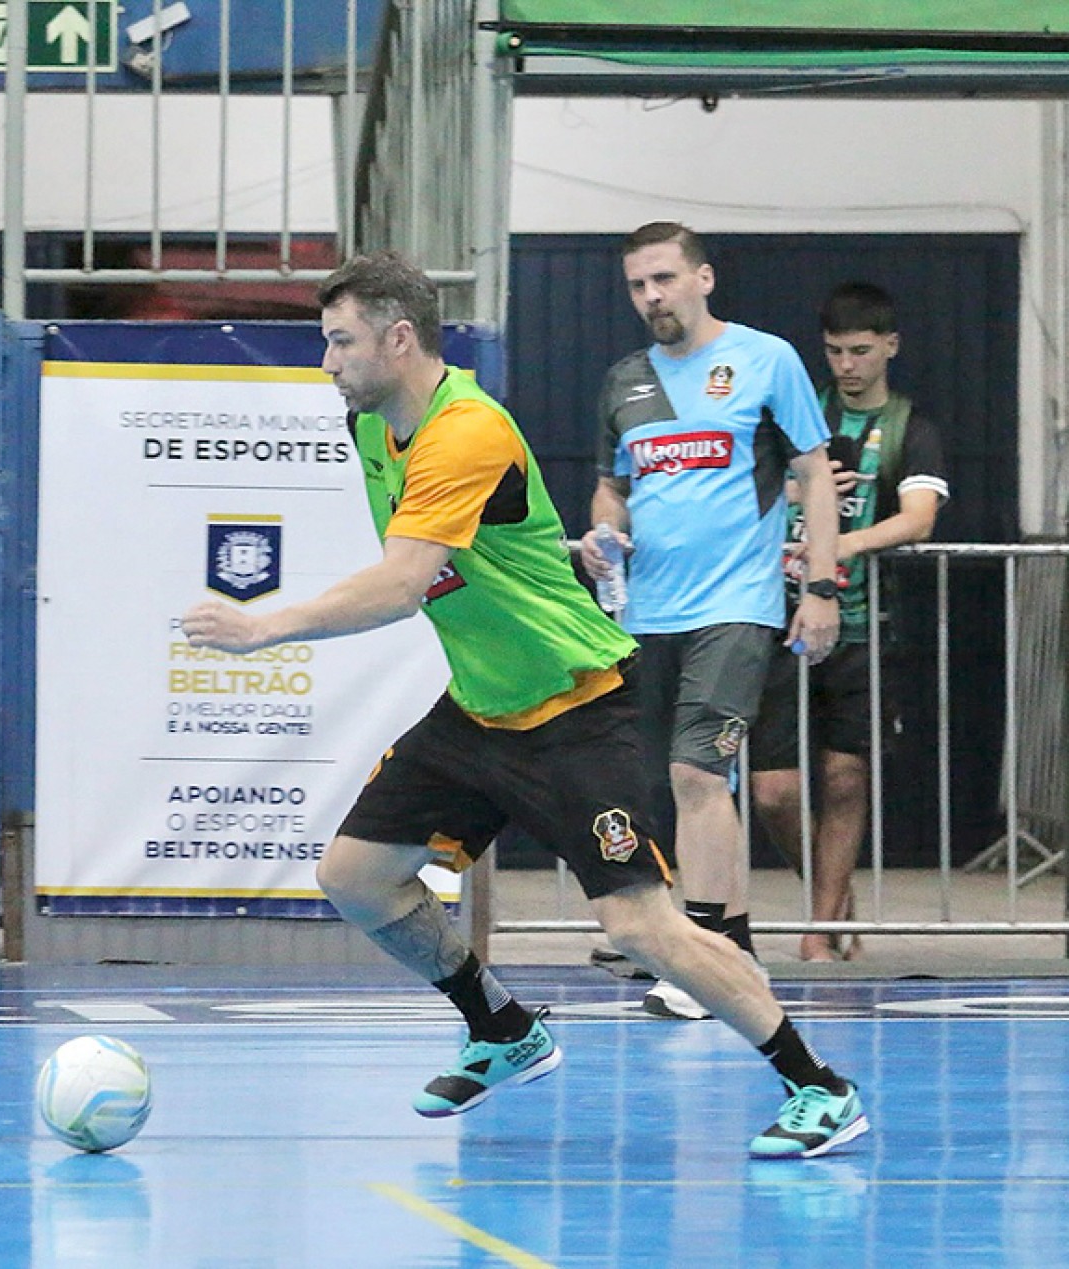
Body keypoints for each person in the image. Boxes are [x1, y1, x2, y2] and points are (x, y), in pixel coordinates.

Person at [182, 250, 868, 1158]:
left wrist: (265, 628)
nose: (326, 363)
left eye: (339, 342)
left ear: (397, 338)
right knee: (353, 876)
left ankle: (816, 1086)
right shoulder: (370, 429)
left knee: (639, 924)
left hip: (571, 708)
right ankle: (501, 1027)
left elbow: (401, 582)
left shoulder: (465, 431)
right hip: (478, 707)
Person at [577, 222, 842, 1022]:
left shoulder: (766, 361)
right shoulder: (625, 380)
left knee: (699, 773)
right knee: (663, 785)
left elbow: (814, 475)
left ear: (703, 278)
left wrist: (821, 586)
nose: (650, 296)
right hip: (646, 611)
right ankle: (728, 947)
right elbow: (611, 489)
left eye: (662, 278)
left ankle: (697, 958)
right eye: (636, 285)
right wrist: (600, 534)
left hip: (735, 607)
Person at [749, 282, 950, 961]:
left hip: (864, 623)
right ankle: (833, 903)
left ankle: (815, 932)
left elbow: (918, 516)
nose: (846, 365)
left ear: (889, 346)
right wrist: (801, 494)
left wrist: (836, 546)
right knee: (772, 790)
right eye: (833, 351)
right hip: (778, 617)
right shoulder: (795, 418)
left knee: (843, 778)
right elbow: (750, 491)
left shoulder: (909, 427)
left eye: (860, 351)